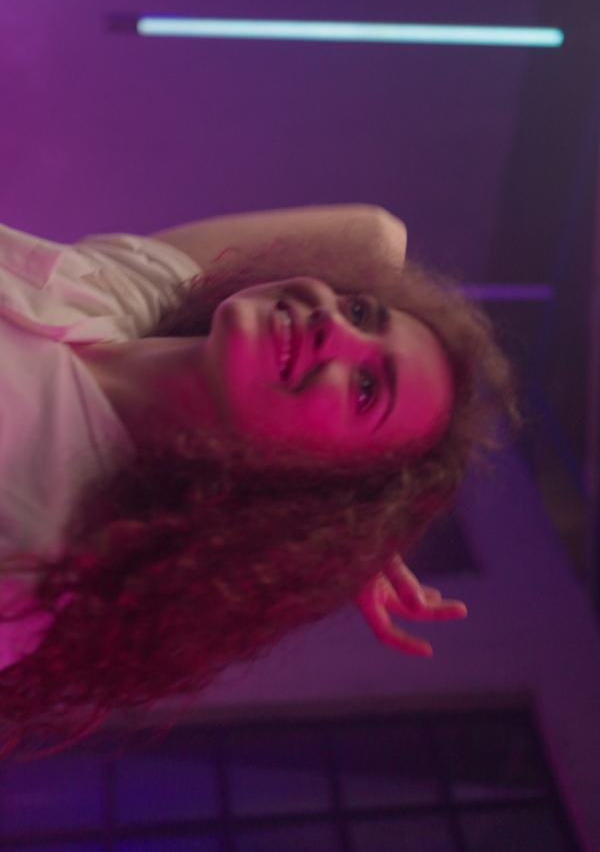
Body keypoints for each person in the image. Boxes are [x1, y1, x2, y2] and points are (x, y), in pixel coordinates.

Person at [0, 204, 519, 759]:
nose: (334, 328)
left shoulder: (40, 554)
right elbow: (377, 235)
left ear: (314, 480)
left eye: (366, 388)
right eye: (362, 312)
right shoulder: (126, 297)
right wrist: (358, 540)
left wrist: (338, 529)